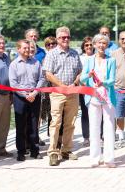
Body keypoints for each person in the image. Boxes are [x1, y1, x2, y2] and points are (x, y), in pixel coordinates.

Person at [42, 26, 82, 166]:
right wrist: (62, 86)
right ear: (58, 39)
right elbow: (48, 74)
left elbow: (80, 71)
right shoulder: (51, 54)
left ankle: (66, 150)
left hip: (73, 93)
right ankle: (53, 151)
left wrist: (75, 82)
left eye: (68, 37)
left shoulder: (75, 53)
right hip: (58, 93)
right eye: (63, 37)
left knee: (70, 123)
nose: (66, 39)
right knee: (55, 122)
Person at [80, 34, 117, 167]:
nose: (101, 45)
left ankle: (109, 158)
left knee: (109, 127)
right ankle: (95, 158)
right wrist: (88, 75)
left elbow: (113, 80)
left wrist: (103, 83)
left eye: (104, 43)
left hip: (108, 98)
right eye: (99, 43)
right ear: (94, 45)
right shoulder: (89, 60)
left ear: (107, 46)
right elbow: (82, 80)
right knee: (94, 128)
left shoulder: (111, 60)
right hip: (93, 97)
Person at [9, 39, 45, 161]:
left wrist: (34, 93)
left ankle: (35, 150)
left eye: (28, 48)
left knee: (34, 124)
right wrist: (25, 95)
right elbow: (13, 83)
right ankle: (21, 151)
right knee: (20, 125)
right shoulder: (14, 64)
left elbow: (41, 79)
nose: (27, 50)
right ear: (18, 49)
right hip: (20, 98)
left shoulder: (36, 63)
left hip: (35, 96)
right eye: (24, 48)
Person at [41, 36, 57, 136]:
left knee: (55, 112)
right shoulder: (44, 58)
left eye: (53, 44)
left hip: (57, 88)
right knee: (44, 112)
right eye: (48, 44)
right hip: (46, 88)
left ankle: (53, 135)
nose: (51, 46)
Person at [79, 36, 93, 147]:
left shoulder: (97, 57)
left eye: (90, 45)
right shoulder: (80, 58)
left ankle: (100, 135)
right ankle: (86, 137)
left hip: (96, 89)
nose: (89, 47)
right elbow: (78, 73)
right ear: (83, 47)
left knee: (99, 112)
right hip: (83, 88)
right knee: (85, 113)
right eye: (86, 45)